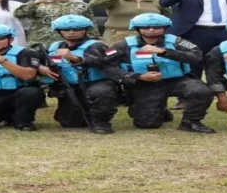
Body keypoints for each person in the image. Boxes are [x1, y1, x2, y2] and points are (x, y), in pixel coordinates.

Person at [85, 13, 215, 133]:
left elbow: (196, 56)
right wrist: (136, 77)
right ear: (137, 29)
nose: (151, 30)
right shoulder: (124, 45)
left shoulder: (176, 41)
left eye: (156, 27)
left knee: (200, 90)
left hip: (176, 80)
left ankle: (191, 121)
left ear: (165, 28)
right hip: (143, 83)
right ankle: (160, 110)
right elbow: (106, 65)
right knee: (147, 123)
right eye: (146, 27)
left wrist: (164, 52)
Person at [39, 14, 119, 134]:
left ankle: (101, 123)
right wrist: (41, 68)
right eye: (66, 30)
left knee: (102, 92)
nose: (71, 32)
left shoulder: (97, 45)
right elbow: (34, 60)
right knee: (70, 123)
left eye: (77, 29)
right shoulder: (54, 47)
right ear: (59, 31)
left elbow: (101, 61)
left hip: (94, 83)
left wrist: (75, 58)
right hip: (70, 87)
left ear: (85, 30)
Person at [89, 0, 170, 43]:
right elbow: (94, 3)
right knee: (113, 58)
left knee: (144, 58)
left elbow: (167, 16)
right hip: (117, 36)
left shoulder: (157, 1)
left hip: (148, 36)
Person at [13, 0, 93, 45]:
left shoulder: (81, 5)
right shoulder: (37, 4)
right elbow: (18, 14)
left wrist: (92, 42)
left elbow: (91, 25)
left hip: (72, 44)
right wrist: (34, 3)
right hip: (42, 44)